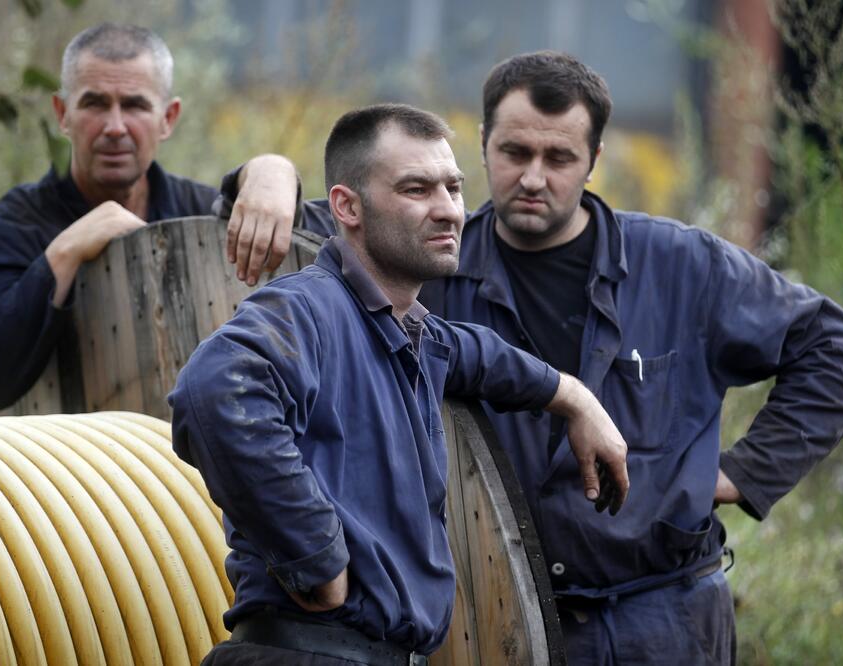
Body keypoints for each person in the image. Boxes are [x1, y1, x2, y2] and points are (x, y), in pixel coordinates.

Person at [231, 52, 843, 664]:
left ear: (593, 159)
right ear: (484, 143)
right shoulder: (429, 256)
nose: (533, 177)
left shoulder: (682, 266)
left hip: (665, 618)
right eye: (514, 152)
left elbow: (834, 347)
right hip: (497, 619)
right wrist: (267, 170)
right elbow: (309, 214)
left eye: (559, 157)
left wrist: (742, 473)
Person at [169, 103, 630, 665]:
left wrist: (576, 399)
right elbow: (215, 390)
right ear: (347, 207)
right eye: (416, 190)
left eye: (453, 188)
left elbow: (475, 354)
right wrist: (316, 558)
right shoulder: (308, 308)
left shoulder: (408, 331)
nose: (448, 211)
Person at [0, 23, 299, 411]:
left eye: (134, 105)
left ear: (168, 117)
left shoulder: (203, 216)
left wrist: (273, 169)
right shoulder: (6, 228)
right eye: (94, 104)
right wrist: (63, 254)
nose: (115, 127)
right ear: (62, 114)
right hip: (65, 469)